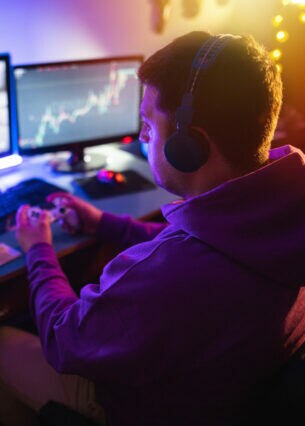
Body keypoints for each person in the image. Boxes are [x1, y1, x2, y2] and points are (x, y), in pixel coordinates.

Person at [1, 30, 305, 426]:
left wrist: (38, 247)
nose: (142, 135)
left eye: (147, 122)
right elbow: (202, 246)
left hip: (142, 406)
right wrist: (103, 222)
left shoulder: (172, 276)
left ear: (189, 144)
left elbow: (64, 338)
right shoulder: (281, 208)